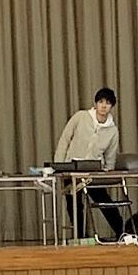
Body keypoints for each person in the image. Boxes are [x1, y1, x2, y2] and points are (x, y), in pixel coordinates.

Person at [55, 87, 126, 241]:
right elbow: (65, 139)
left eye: (107, 103)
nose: (104, 106)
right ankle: (79, 237)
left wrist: (109, 169)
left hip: (93, 170)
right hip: (71, 167)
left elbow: (110, 153)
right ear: (96, 103)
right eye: (101, 102)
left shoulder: (112, 130)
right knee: (74, 204)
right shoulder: (81, 117)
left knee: (104, 201)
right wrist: (59, 165)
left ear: (112, 106)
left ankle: (122, 232)